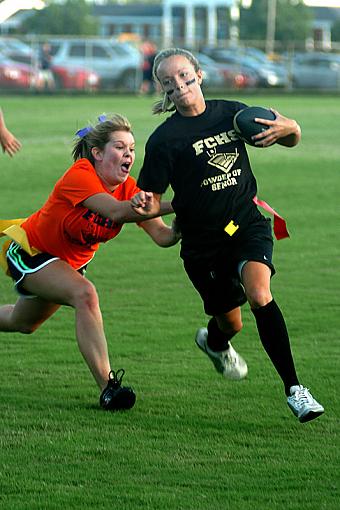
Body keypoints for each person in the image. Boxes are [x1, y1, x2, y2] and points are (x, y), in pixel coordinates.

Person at [134, 48, 324, 423]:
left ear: (199, 75)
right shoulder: (164, 140)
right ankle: (216, 342)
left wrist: (293, 129)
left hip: (245, 224)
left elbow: (289, 136)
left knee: (259, 293)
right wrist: (152, 216)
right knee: (230, 323)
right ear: (163, 90)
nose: (180, 85)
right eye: (169, 82)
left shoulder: (233, 114)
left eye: (185, 76)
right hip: (202, 245)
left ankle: (295, 390)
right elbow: (151, 202)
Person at [0, 113, 180, 411]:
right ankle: (109, 388)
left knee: (23, 323)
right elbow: (115, 212)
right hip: (31, 251)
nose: (129, 155)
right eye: (120, 147)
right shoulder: (81, 174)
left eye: (132, 149)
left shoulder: (130, 188)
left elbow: (162, 236)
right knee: (86, 294)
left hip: (67, 266)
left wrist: (181, 227)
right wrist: (184, 202)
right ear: (97, 153)